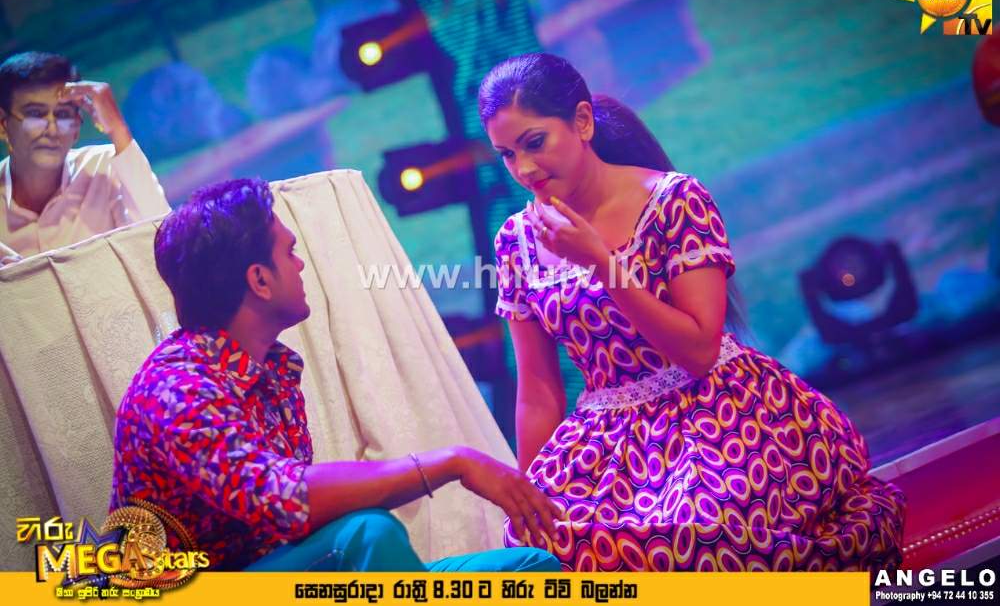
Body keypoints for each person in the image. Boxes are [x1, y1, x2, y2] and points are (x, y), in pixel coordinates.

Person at [480, 52, 906, 571]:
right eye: (507, 155)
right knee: (544, 545)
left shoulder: (674, 199)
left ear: (583, 121)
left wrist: (600, 263)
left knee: (698, 535)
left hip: (719, 417)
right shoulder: (516, 241)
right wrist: (529, 495)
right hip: (610, 445)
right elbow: (538, 390)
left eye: (534, 143)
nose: (524, 169)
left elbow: (700, 350)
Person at [109, 177, 560, 573]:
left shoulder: (273, 368)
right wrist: (451, 463)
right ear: (260, 280)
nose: (300, 264)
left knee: (528, 568)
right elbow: (287, 500)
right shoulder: (176, 391)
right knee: (366, 535)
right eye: (289, 252)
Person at [0, 51, 169, 265]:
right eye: (35, 114)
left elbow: (163, 238)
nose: (52, 130)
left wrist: (117, 129)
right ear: (3, 125)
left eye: (63, 115)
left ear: (77, 127)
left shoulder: (104, 167)